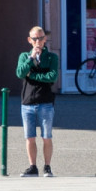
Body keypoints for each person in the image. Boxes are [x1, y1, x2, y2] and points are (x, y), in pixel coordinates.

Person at [17, 26, 60, 177]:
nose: (38, 41)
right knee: (30, 137)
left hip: (46, 102)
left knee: (46, 136)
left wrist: (33, 76)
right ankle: (32, 167)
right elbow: (20, 73)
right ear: (29, 40)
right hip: (27, 102)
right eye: (34, 39)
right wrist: (31, 59)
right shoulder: (24, 56)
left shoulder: (52, 57)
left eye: (40, 38)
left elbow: (52, 77)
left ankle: (47, 167)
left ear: (45, 39)